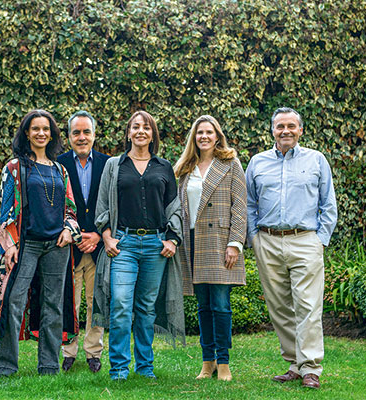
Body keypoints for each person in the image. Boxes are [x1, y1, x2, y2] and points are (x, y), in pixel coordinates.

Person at [246, 107, 337, 389]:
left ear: (300, 130)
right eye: (280, 126)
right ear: (272, 130)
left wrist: (320, 239)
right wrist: (254, 238)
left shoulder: (316, 160)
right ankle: (295, 364)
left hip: (305, 240)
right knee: (279, 307)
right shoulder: (258, 162)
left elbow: (328, 204)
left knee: (308, 306)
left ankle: (311, 367)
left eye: (291, 126)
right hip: (268, 242)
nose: (285, 131)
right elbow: (249, 204)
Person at [92, 110, 185, 381]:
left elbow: (174, 207)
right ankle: (119, 369)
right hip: (124, 244)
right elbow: (103, 205)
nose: (141, 131)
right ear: (129, 133)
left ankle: (145, 368)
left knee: (146, 308)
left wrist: (172, 238)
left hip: (156, 245)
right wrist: (107, 236)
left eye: (146, 127)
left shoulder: (164, 167)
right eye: (136, 127)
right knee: (121, 304)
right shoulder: (114, 165)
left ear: (153, 133)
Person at [0, 109, 81, 376]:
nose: (41, 133)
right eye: (35, 129)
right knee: (14, 301)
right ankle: (6, 366)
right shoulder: (15, 168)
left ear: (51, 134)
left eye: (46, 129)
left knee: (53, 305)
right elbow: (7, 209)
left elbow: (70, 207)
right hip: (26, 245)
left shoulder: (60, 170)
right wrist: (11, 245)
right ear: (26, 133)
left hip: (57, 246)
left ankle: (50, 366)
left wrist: (69, 229)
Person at [174, 115, 247, 381]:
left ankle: (224, 363)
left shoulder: (230, 164)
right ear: (194, 138)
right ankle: (208, 363)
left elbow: (239, 207)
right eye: (199, 133)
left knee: (221, 305)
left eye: (209, 132)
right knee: (203, 306)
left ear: (217, 136)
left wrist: (235, 243)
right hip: (192, 242)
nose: (204, 137)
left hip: (220, 243)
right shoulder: (185, 167)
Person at [57, 111, 110, 373]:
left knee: (96, 300)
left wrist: (99, 234)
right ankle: (68, 350)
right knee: (70, 299)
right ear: (69, 136)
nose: (81, 137)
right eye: (76, 132)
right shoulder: (57, 164)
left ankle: (93, 352)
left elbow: (113, 204)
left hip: (99, 245)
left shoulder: (107, 164)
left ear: (94, 134)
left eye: (86, 132)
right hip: (70, 247)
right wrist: (75, 235)